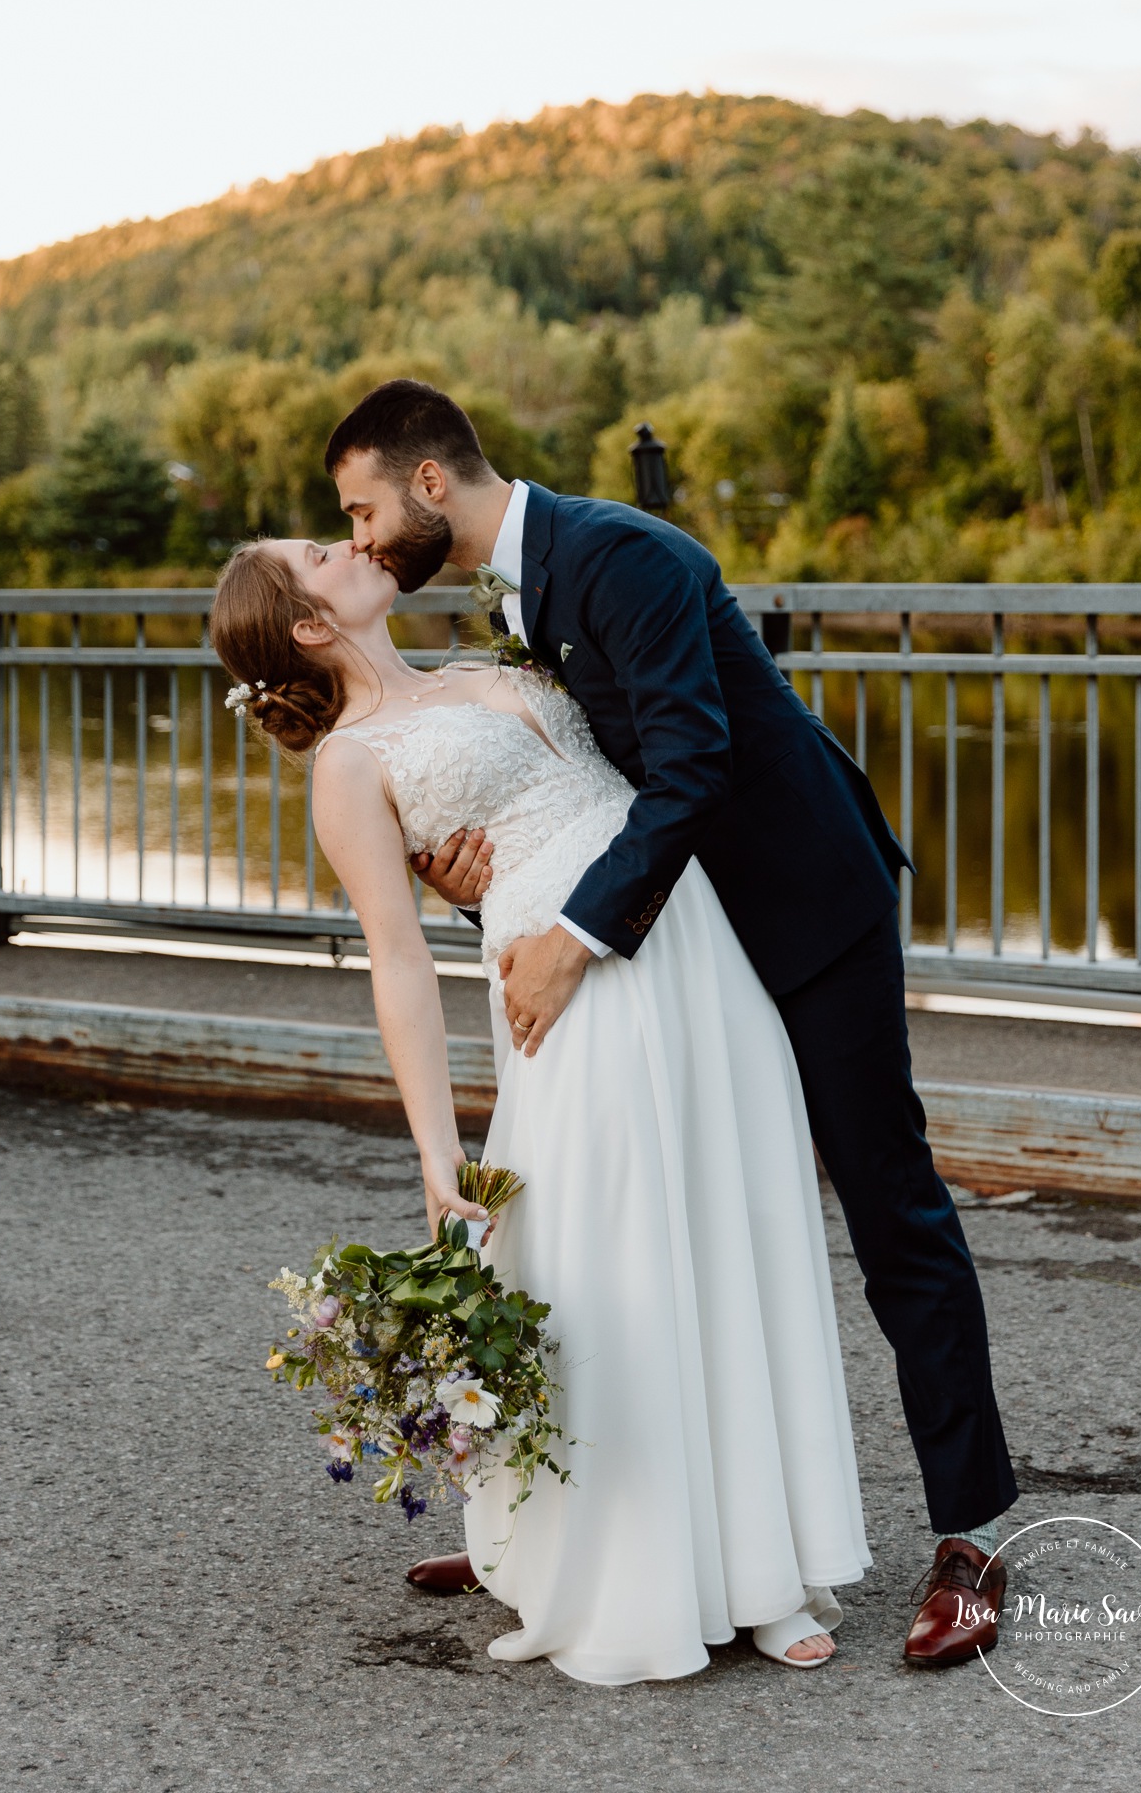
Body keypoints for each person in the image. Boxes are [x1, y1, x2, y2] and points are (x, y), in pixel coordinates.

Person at [324, 379, 1016, 1671]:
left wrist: (573, 937)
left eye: (361, 510)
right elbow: (584, 766)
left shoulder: (621, 553)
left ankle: (969, 1540)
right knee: (653, 1223)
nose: (360, 540)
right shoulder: (521, 592)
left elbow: (692, 763)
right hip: (682, 934)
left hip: (800, 911)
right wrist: (477, 871)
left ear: (429, 484)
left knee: (887, 1205)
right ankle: (577, 1535)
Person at [212, 537, 870, 1684]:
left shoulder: (494, 658)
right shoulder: (350, 763)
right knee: (623, 1255)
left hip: (694, 941)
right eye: (320, 550)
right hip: (566, 991)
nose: (351, 543)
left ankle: (769, 1566)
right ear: (309, 623)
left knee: (733, 1221)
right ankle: (650, 1567)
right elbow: (395, 959)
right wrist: (436, 1147)